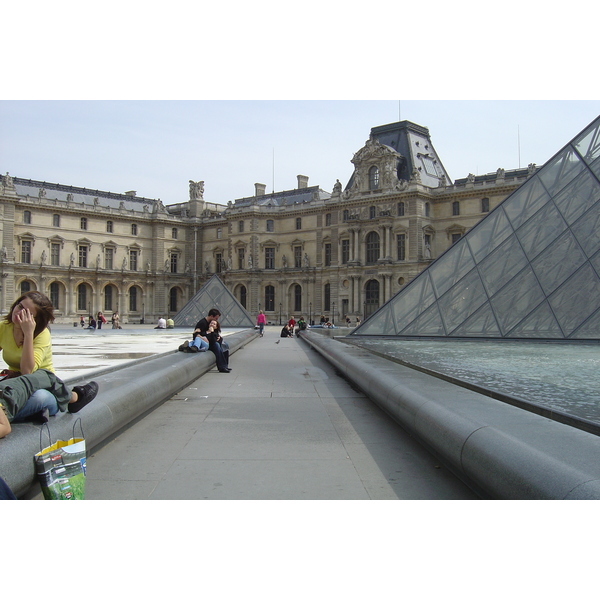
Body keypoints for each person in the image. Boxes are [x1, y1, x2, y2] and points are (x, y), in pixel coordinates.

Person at [0, 291, 99, 428]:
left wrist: (28, 334)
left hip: (42, 386)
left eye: (26, 312)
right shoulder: (4, 327)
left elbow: (27, 371)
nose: (18, 312)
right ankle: (34, 411)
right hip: (15, 385)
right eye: (19, 306)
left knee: (39, 398)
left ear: (35, 320)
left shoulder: (41, 334)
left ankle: (72, 397)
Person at [194, 308, 231, 372]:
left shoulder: (211, 323)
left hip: (211, 340)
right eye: (216, 318)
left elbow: (216, 334)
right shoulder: (202, 323)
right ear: (211, 316)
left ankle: (225, 366)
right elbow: (196, 334)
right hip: (205, 342)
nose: (216, 320)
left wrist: (220, 338)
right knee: (217, 345)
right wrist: (202, 337)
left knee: (225, 345)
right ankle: (222, 367)